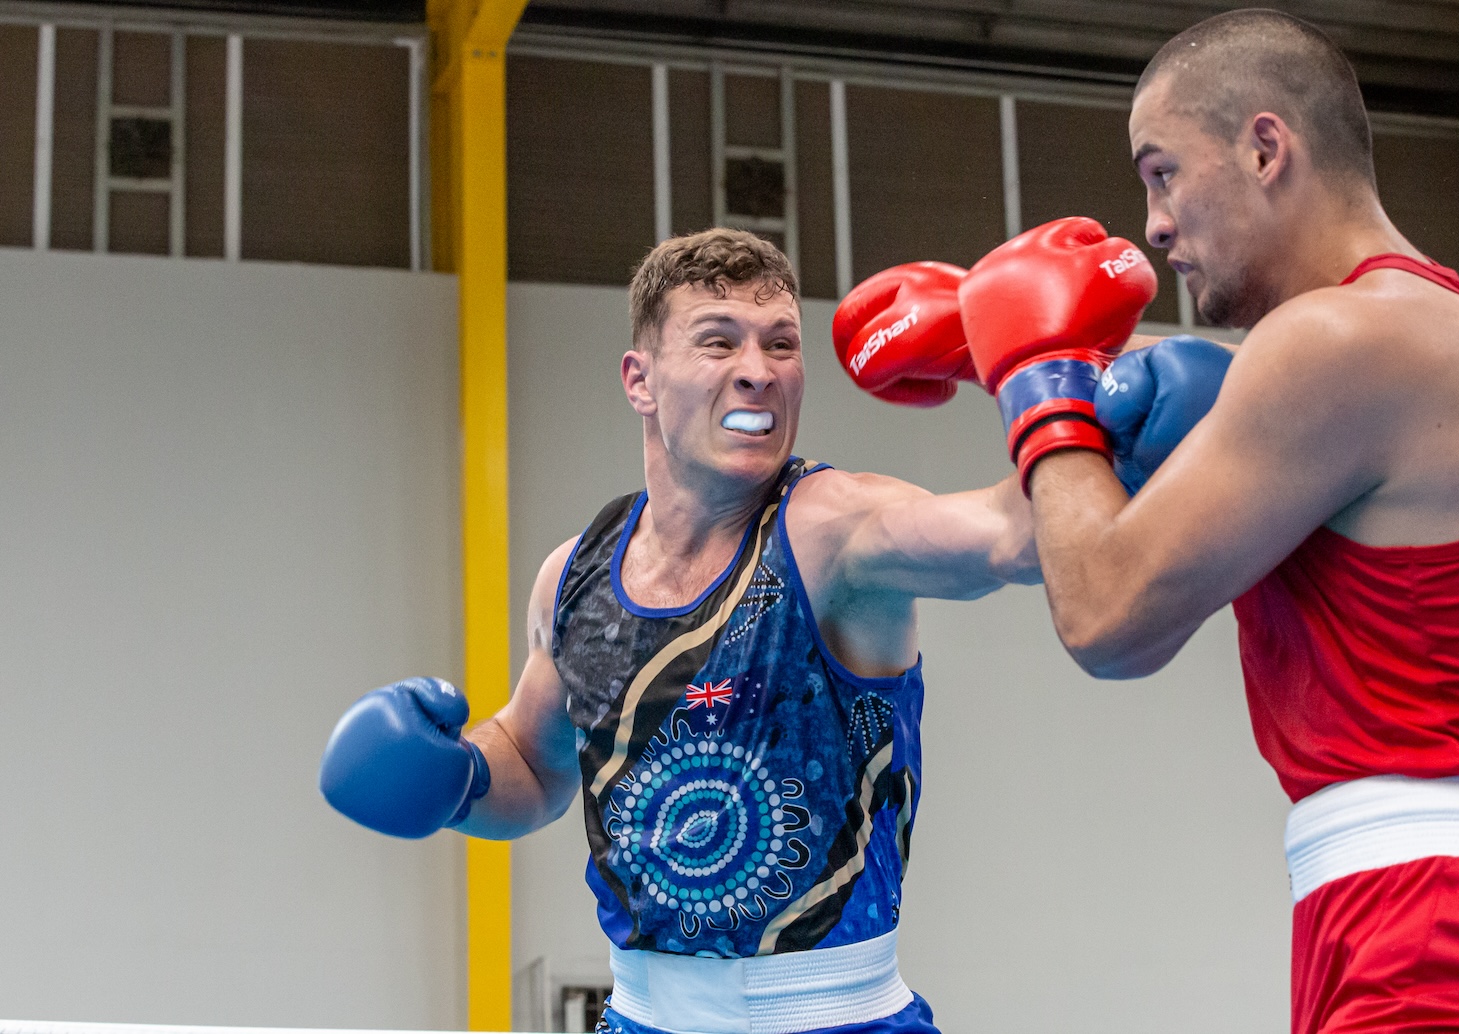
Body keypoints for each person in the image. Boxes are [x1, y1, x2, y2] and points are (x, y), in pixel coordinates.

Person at [852, 9, 1459, 1033]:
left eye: (1161, 172)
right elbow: (1135, 600)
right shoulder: (1405, 332)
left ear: (1263, 148)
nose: (1153, 224)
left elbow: (1106, 616)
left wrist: (1038, 376)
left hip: (1445, 925)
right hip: (1425, 912)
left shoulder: (1346, 340)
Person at [319, 229, 1052, 1034]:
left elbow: (1010, 535)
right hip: (638, 1020)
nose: (758, 371)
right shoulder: (577, 575)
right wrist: (456, 779)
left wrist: (1044, 377)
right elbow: (534, 764)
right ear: (640, 380)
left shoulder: (834, 530)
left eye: (781, 344)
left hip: (837, 1020)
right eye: (718, 341)